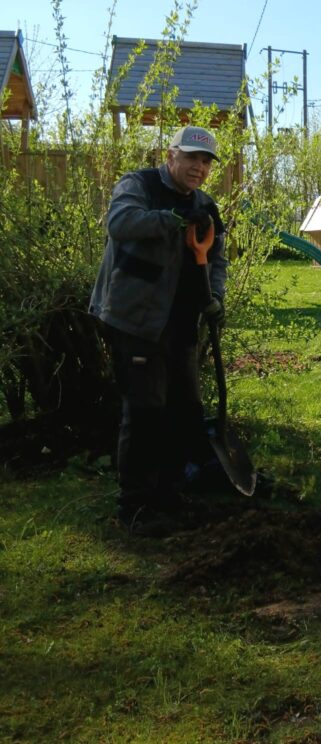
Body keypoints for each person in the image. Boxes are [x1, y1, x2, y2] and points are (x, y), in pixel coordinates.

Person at [90, 125, 228, 535]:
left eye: (205, 161)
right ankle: (134, 506)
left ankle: (168, 494)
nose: (199, 167)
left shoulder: (205, 205)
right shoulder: (139, 186)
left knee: (184, 409)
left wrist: (216, 296)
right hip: (134, 318)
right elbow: (120, 223)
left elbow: (217, 257)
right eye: (191, 158)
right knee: (145, 410)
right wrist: (172, 219)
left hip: (180, 322)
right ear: (171, 156)